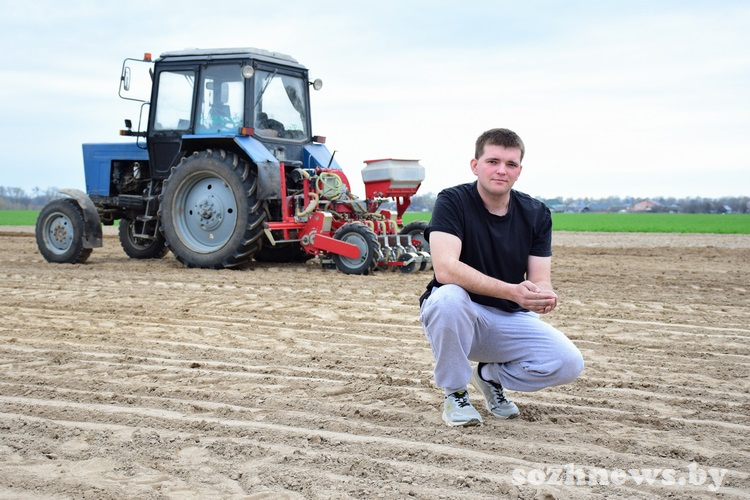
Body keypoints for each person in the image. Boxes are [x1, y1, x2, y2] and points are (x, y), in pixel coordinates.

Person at [419, 128, 584, 427]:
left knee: (568, 363)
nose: (501, 170)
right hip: (460, 317)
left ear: (519, 170)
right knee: (448, 297)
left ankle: (488, 375)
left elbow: (540, 278)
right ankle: (455, 394)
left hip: (507, 318)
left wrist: (541, 295)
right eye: (493, 161)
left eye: (510, 164)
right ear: (475, 165)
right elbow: (446, 269)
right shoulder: (452, 201)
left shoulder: (536, 213)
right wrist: (511, 291)